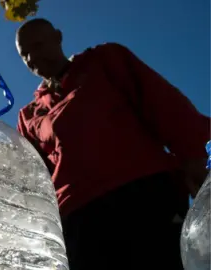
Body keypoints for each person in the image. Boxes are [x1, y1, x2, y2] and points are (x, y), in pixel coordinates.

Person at [15, 18, 210, 270]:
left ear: (58, 37)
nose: (32, 57)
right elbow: (35, 179)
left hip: (143, 195)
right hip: (79, 217)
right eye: (25, 54)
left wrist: (195, 157)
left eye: (38, 45)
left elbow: (164, 105)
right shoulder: (28, 115)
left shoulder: (105, 60)